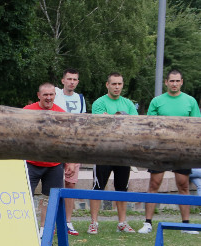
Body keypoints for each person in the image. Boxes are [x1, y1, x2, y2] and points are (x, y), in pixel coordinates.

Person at [138, 69, 200, 235]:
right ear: (166, 82)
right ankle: (147, 223)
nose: (174, 84)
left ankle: (186, 225)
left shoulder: (190, 101)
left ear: (181, 82)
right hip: (160, 149)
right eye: (171, 81)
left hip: (182, 150)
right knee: (154, 184)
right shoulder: (157, 101)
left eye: (177, 81)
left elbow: (196, 126)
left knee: (183, 185)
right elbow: (149, 125)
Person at [87, 73, 138, 235]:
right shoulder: (99, 103)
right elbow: (101, 125)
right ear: (107, 85)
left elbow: (134, 124)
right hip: (103, 151)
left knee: (122, 188)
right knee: (98, 187)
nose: (117, 87)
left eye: (119, 84)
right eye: (114, 84)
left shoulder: (128, 103)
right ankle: (94, 223)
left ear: (123, 85)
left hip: (122, 152)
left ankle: (122, 223)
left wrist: (112, 119)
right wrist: (117, 120)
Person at [23, 83, 72, 238]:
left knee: (49, 198)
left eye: (51, 94)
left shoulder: (61, 114)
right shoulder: (27, 111)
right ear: (39, 95)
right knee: (24, 196)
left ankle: (45, 229)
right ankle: (25, 227)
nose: (48, 97)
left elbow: (68, 140)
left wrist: (70, 162)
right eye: (45, 94)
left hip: (54, 165)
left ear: (55, 96)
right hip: (30, 163)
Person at [54, 69, 86, 236]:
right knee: (53, 184)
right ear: (63, 80)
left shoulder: (80, 98)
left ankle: (68, 221)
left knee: (71, 184)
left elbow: (82, 123)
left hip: (73, 146)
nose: (72, 82)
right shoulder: (56, 95)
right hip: (56, 144)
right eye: (69, 79)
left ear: (78, 82)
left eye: (75, 79)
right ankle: (52, 222)